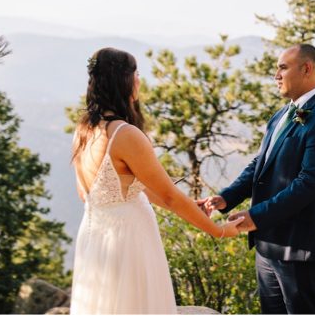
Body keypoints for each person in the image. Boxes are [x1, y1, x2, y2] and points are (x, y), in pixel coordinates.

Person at [69, 47, 240, 314]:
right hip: (129, 242)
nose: (139, 80)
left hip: (96, 238)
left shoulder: (83, 129)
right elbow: (171, 196)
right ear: (125, 80)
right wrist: (217, 230)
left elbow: (115, 190)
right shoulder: (125, 134)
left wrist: (188, 205)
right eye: (137, 73)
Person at [200, 44, 315, 314]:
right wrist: (227, 198)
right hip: (268, 245)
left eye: (282, 67)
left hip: (300, 247)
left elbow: (309, 184)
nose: (276, 75)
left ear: (306, 69)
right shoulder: (281, 115)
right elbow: (261, 164)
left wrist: (256, 215)